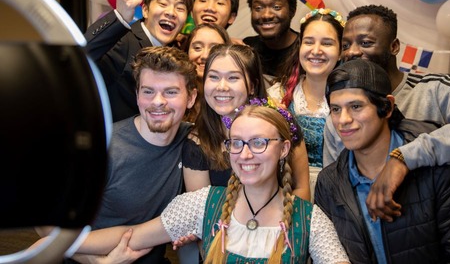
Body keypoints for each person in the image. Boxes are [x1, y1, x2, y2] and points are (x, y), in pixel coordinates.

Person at [58, 102, 351, 264]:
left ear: (284, 149)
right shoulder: (202, 203)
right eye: (237, 143)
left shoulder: (310, 220)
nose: (245, 154)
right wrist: (61, 243)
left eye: (259, 143)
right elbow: (132, 235)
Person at [323, 4, 450, 221]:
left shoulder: (435, 89)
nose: (352, 52)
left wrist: (405, 158)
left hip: (442, 222)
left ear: (394, 46)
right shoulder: (339, 116)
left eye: (366, 43)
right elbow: (337, 190)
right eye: (346, 45)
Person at [315, 59, 450, 263]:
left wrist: (403, 160)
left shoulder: (443, 163)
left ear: (387, 108)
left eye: (356, 106)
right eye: (335, 109)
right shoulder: (329, 183)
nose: (343, 120)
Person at [36, 46, 203, 264]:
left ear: (191, 98)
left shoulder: (191, 141)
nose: (158, 101)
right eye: (148, 91)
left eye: (170, 92)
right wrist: (96, 262)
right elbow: (45, 225)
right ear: (137, 95)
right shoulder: (105, 148)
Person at [188, 44, 311, 201]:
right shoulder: (196, 140)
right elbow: (200, 210)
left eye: (233, 78)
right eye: (213, 77)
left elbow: (301, 188)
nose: (221, 87)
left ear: (252, 86)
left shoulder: (281, 121)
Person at [85, 0, 193, 123]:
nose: (171, 12)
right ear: (145, 10)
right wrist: (120, 16)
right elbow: (81, 56)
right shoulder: (124, 40)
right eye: (163, 4)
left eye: (180, 8)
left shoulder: (175, 55)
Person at [268, 8, 343, 196]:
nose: (316, 51)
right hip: (285, 190)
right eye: (309, 42)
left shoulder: (350, 100)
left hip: (336, 193)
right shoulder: (279, 94)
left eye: (327, 43)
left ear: (341, 50)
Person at [243, 0, 300, 87]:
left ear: (292, 10)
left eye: (276, 7)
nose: (266, 15)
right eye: (258, 8)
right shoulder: (246, 48)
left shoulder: (306, 49)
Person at [181, 22, 233, 123]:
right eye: (197, 48)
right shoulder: (176, 95)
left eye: (214, 49)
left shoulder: (234, 98)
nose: (205, 55)